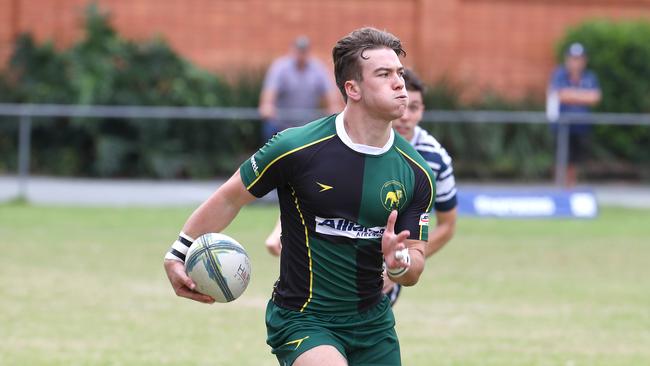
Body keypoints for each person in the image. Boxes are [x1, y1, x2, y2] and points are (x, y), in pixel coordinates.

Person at [164, 27, 436, 366]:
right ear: (352, 88)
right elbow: (229, 198)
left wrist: (400, 265)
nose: (400, 83)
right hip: (303, 318)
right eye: (384, 74)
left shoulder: (416, 171)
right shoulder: (295, 147)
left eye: (398, 72)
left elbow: (414, 265)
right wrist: (177, 254)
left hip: (373, 324)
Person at [264, 69, 458, 307]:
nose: (406, 116)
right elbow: (312, 192)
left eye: (414, 108)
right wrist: (278, 230)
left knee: (365, 318)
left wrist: (400, 262)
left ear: (422, 111)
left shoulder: (434, 159)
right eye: (403, 104)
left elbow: (447, 225)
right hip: (332, 254)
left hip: (382, 262)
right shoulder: (350, 139)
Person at [258, 35, 341, 142]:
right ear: (292, 50)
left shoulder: (318, 68)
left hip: (308, 127)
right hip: (281, 126)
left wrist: (333, 108)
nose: (301, 54)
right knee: (269, 127)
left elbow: (331, 95)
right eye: (298, 50)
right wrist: (267, 106)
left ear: (308, 51)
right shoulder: (280, 67)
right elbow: (268, 96)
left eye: (304, 50)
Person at [547, 42, 601, 186]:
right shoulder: (559, 74)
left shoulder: (590, 77)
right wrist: (582, 96)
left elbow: (595, 97)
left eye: (579, 59)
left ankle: (570, 187)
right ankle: (559, 186)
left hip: (580, 126)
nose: (576, 62)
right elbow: (560, 94)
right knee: (560, 158)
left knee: (575, 160)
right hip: (562, 126)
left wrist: (572, 95)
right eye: (573, 58)